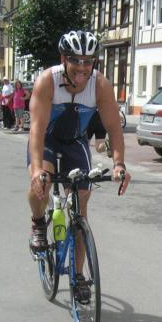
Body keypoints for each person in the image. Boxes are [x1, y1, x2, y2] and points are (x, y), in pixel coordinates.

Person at [27, 29, 131, 268]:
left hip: (75, 141)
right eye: (75, 60)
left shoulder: (100, 85)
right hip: (47, 139)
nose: (82, 67)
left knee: (80, 209)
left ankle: (80, 276)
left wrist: (119, 165)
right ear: (63, 59)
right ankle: (38, 222)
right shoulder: (47, 81)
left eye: (88, 61)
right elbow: (37, 130)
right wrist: (37, 170)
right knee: (42, 183)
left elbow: (114, 129)